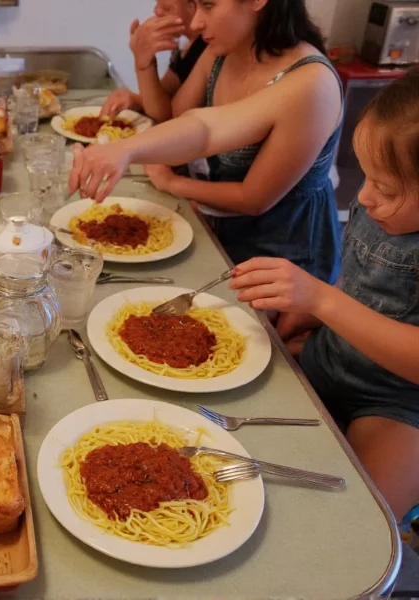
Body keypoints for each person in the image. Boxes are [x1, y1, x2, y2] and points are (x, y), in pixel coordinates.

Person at [228, 70, 419, 521]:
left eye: (386, 189)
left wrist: (322, 302)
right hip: (329, 356)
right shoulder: (379, 206)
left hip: (395, 405)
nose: (366, 197)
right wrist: (309, 315)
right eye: (367, 178)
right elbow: (362, 282)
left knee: (357, 523)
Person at [78, 0, 343, 284]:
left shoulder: (312, 83)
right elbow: (184, 124)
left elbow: (253, 198)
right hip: (219, 234)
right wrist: (123, 149)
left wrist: (170, 181)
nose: (195, 23)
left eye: (208, 5)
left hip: (282, 260)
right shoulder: (222, 52)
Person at [101, 0, 205, 123]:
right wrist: (134, 99)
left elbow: (168, 117)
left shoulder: (206, 49)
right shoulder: (185, 47)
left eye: (166, 8)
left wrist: (144, 65)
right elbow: (164, 97)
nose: (157, 11)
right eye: (157, 4)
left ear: (194, 6)